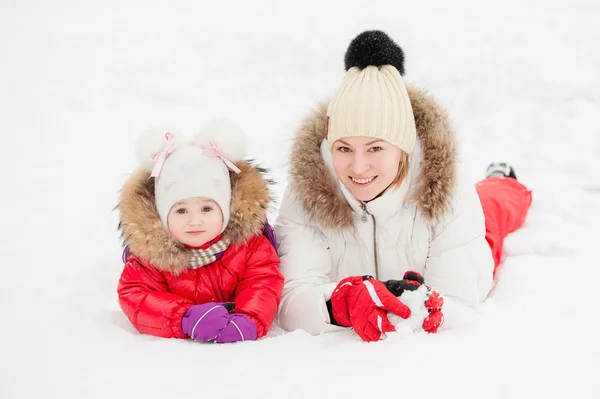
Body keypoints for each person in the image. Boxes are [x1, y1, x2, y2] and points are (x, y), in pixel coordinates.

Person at [275, 31, 532, 342]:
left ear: (403, 146)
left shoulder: (445, 189)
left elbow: (462, 304)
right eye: (343, 149)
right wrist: (339, 304)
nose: (358, 167)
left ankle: (502, 181)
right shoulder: (308, 189)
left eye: (375, 149)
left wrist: (422, 303)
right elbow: (290, 297)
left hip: (448, 235)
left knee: (492, 213)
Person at [117, 119, 284, 343]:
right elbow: (136, 295)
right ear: (162, 214)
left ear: (225, 209)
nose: (195, 221)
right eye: (181, 210)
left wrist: (249, 320)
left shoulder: (250, 245)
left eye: (207, 208)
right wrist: (183, 318)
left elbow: (263, 282)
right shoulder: (152, 257)